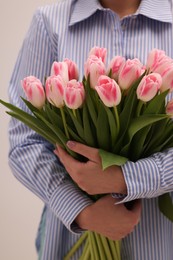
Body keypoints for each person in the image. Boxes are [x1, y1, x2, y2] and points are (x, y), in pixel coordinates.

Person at [8, 0, 173, 259]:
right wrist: (81, 211)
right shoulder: (50, 22)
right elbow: (24, 142)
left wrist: (126, 178)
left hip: (159, 245)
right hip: (71, 245)